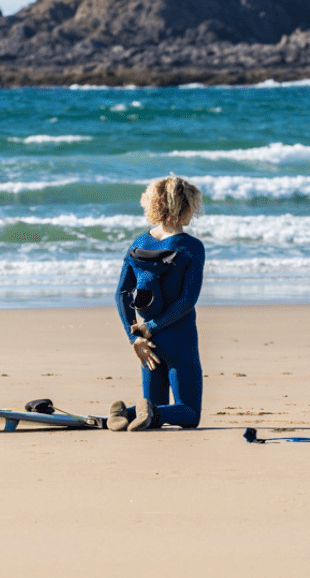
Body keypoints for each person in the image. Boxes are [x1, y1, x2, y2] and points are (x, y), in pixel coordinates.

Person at [109, 176, 206, 431]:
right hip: (178, 338)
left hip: (147, 343)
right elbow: (187, 300)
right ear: (184, 206)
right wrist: (152, 326)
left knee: (153, 405)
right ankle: (141, 413)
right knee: (189, 412)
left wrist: (135, 338)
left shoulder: (138, 244)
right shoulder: (192, 247)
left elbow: (122, 293)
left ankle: (123, 413)